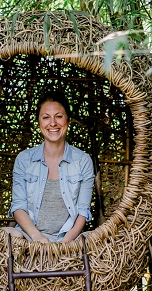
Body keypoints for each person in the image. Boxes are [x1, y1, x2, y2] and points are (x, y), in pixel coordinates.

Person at [5, 91, 94, 243]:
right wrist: (37, 237)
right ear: (39, 122)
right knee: (5, 235)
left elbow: (83, 211)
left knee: (97, 240)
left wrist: (65, 243)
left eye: (59, 116)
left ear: (68, 120)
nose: (53, 123)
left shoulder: (83, 161)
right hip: (30, 237)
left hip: (69, 239)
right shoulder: (24, 160)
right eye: (46, 117)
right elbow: (18, 206)